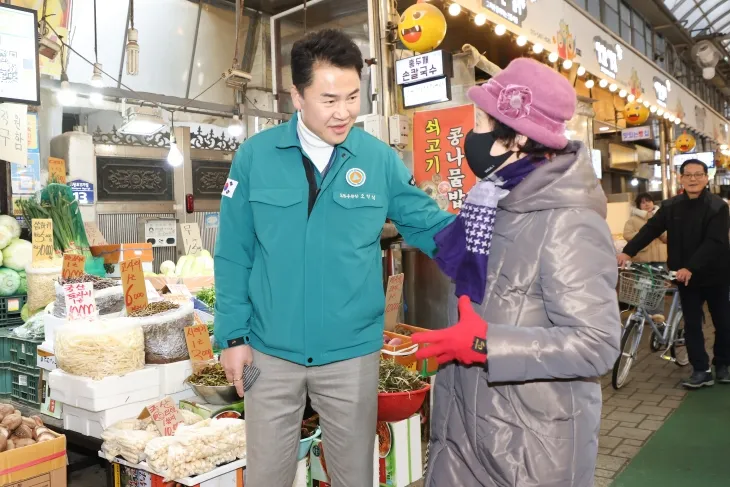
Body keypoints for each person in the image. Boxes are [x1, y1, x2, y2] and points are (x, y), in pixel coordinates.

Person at [213, 29, 454, 487]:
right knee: (266, 476)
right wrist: (232, 336)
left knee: (354, 477)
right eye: (328, 99)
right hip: (269, 350)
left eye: (352, 97)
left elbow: (428, 223)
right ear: (297, 96)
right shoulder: (255, 158)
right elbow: (233, 253)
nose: (343, 112)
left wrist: (493, 249)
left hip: (351, 355)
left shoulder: (377, 160)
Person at [410, 58, 621, 487]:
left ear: (519, 137)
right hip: (465, 430)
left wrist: (484, 344)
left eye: (484, 122)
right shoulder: (493, 200)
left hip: (528, 447)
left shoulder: (568, 221)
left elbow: (596, 344)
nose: (474, 135)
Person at [618, 159, 730, 389]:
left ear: (706, 178)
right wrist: (628, 253)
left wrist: (692, 266)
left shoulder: (718, 206)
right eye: (687, 174)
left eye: (698, 174)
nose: (693, 179)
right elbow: (650, 230)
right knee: (692, 324)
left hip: (716, 274)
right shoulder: (670, 206)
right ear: (680, 178)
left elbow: (715, 241)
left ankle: (723, 364)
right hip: (683, 277)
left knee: (724, 322)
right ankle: (701, 370)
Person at [623, 192, 668, 317]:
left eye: (648, 201)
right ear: (638, 205)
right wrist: (643, 234)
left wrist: (658, 232)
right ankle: (642, 314)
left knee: (659, 287)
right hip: (642, 259)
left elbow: (669, 236)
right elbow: (627, 235)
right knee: (643, 286)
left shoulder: (662, 218)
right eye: (642, 202)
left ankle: (657, 314)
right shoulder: (633, 220)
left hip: (660, 258)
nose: (646, 204)